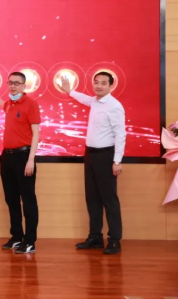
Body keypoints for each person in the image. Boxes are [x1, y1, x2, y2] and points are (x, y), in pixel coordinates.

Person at [59, 72, 126, 254]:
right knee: (92, 198)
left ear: (111, 86)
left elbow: (120, 135)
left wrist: (117, 161)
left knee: (109, 199)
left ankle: (114, 240)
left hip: (106, 156)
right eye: (96, 82)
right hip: (90, 155)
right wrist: (69, 91)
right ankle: (95, 237)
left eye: (103, 83)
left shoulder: (114, 106)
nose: (98, 86)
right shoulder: (95, 101)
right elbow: (85, 99)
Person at [0, 72, 41, 254]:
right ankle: (17, 236)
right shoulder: (10, 104)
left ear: (24, 86)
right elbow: (1, 104)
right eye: (10, 83)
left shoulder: (31, 104)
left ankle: (29, 241)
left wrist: (31, 159)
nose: (13, 86)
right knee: (11, 199)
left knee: (28, 199)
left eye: (17, 83)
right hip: (7, 157)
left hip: (24, 157)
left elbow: (36, 133)